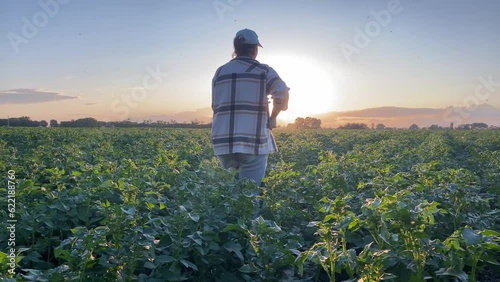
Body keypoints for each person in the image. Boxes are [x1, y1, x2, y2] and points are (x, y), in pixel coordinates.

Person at [211, 28, 289, 187]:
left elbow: (215, 105)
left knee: (231, 194)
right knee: (249, 196)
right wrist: (273, 117)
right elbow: (281, 92)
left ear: (235, 49)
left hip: (223, 143)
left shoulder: (220, 72)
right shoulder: (263, 70)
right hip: (252, 142)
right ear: (254, 49)